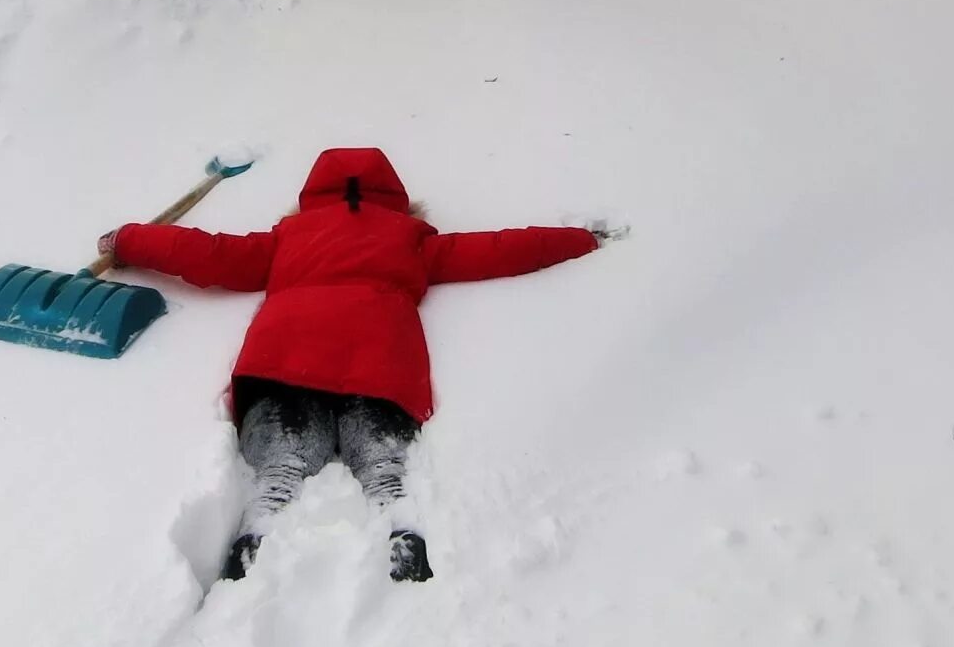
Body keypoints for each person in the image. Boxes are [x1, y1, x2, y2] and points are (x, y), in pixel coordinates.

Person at [101, 148, 612, 582]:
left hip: (286, 357)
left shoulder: (289, 239)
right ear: (397, 198)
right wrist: (580, 240)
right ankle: (396, 515)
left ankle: (261, 523)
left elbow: (207, 254)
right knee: (381, 455)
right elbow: (499, 249)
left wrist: (127, 241)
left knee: (284, 459)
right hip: (379, 360)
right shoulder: (411, 239)